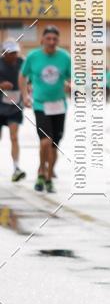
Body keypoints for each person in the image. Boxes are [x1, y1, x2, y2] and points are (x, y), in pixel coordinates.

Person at [19, 25, 71, 193]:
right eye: (48, 39)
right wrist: (25, 96)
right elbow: (22, 76)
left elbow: (73, 78)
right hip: (40, 104)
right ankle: (41, 172)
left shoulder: (64, 57)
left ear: (58, 41)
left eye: (55, 39)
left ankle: (48, 177)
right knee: (45, 141)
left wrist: (71, 85)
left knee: (55, 145)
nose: (51, 42)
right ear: (42, 40)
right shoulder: (33, 57)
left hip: (59, 106)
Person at [0, 40, 26, 182]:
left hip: (15, 105)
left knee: (14, 137)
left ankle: (16, 168)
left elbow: (31, 79)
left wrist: (27, 91)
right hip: (0, 104)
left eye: (15, 52)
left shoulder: (23, 63)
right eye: (10, 53)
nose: (14, 55)